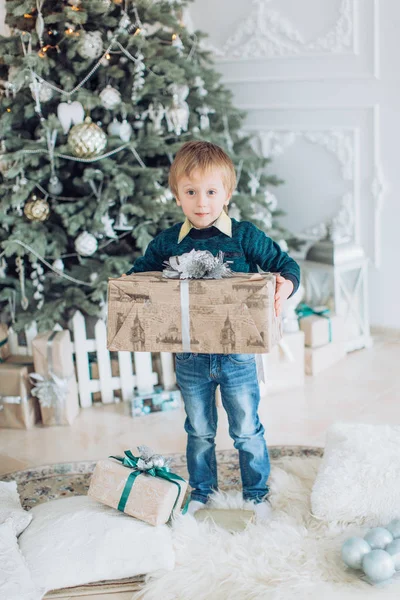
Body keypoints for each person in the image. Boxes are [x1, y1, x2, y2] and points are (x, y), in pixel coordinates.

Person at [126, 141, 300, 522]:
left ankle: (257, 494)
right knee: (199, 430)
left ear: (227, 194)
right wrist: (133, 289)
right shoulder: (168, 242)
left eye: (210, 192)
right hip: (189, 356)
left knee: (245, 429)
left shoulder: (244, 236)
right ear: (177, 196)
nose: (201, 202)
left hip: (238, 355)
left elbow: (287, 265)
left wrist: (283, 287)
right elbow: (140, 275)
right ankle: (203, 491)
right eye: (190, 192)